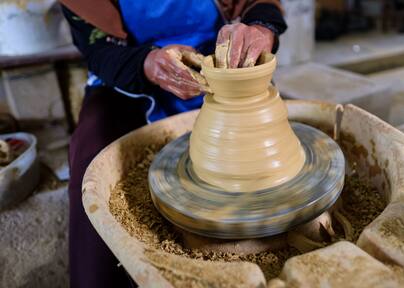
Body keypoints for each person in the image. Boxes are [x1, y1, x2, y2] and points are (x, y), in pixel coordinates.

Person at [59, 0, 287, 286]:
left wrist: (261, 28)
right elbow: (97, 51)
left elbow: (261, 4)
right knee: (92, 157)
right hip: (126, 72)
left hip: (219, 66)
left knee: (276, 138)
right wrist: (148, 63)